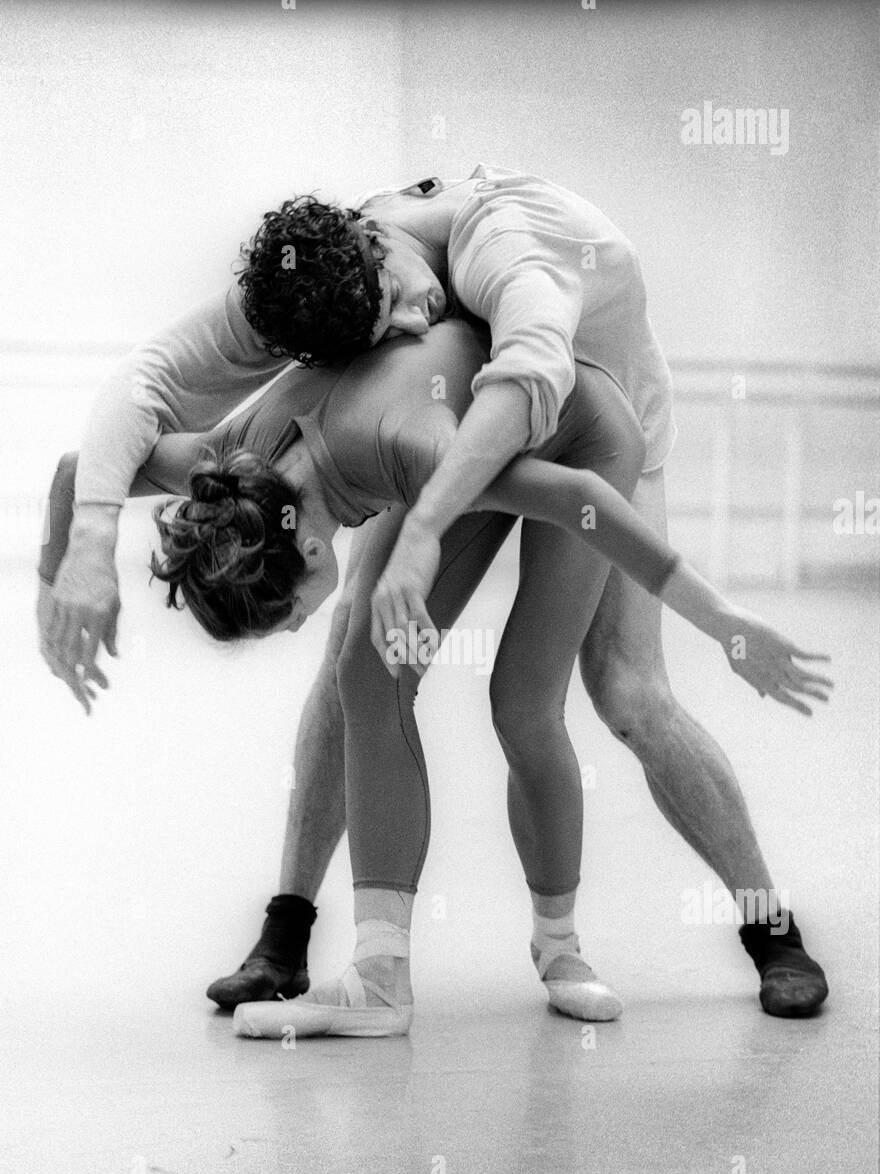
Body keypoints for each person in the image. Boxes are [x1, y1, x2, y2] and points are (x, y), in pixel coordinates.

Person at [39, 318, 831, 1029]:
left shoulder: (413, 446)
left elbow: (581, 499)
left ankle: (762, 931)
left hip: (584, 426)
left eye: (278, 617)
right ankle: (297, 938)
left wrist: (721, 621)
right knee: (360, 659)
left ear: (310, 549)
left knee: (590, 697)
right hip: (451, 422)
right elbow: (83, 469)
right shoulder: (226, 467)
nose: (283, 630)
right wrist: (62, 580)